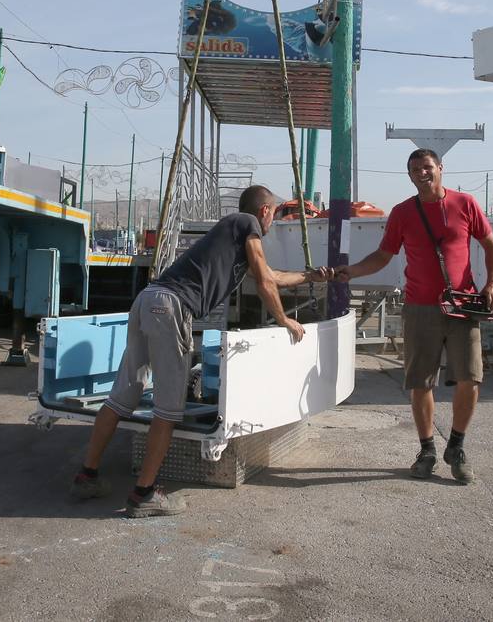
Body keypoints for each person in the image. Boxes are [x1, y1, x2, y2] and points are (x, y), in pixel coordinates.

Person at [70, 184, 331, 517]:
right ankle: (144, 495)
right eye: (275, 213)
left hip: (148, 300)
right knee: (167, 409)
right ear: (264, 210)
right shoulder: (245, 222)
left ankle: (87, 475)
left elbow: (270, 276)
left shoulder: (235, 236)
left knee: (123, 396)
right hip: (171, 308)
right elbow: (266, 282)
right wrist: (285, 320)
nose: (273, 222)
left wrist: (311, 276)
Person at [336, 149, 493, 484]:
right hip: (420, 307)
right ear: (410, 175)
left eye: (427, 167)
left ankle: (456, 447)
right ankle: (427, 449)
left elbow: (491, 245)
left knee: (470, 379)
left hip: (462, 307)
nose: (421, 173)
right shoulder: (402, 213)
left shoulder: (465, 203)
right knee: (420, 382)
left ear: (440, 169)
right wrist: (350, 271)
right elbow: (384, 255)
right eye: (414, 170)